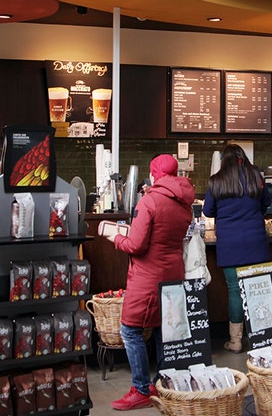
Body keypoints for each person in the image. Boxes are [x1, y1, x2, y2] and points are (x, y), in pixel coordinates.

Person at [107, 154, 194, 411]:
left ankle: (141, 389)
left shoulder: (149, 201)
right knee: (161, 330)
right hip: (173, 273)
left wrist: (114, 237)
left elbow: (136, 244)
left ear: (154, 174)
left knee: (130, 330)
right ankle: (163, 383)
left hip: (147, 275)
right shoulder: (183, 201)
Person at [203, 144, 272, 353]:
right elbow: (266, 203)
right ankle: (262, 337)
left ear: (223, 160)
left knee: (235, 291)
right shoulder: (256, 177)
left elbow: (207, 210)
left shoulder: (216, 181)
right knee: (257, 288)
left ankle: (235, 341)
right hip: (256, 241)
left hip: (230, 243)